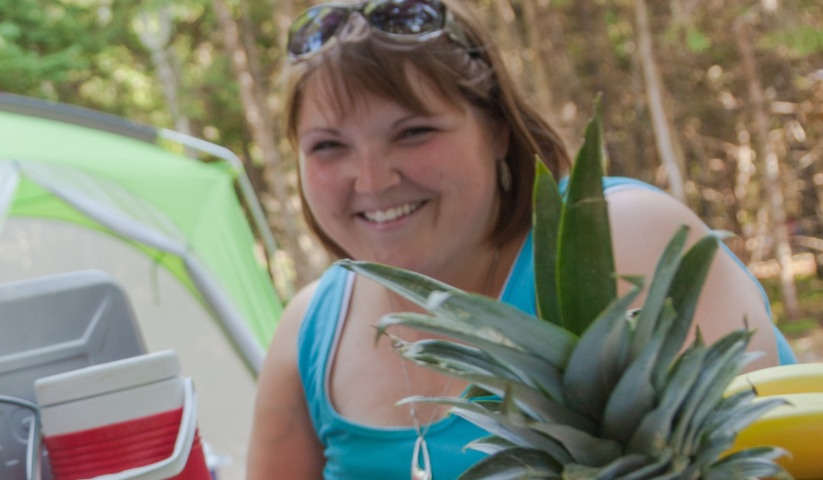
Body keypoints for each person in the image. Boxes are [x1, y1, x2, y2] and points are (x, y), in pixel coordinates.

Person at [246, 0, 800, 478]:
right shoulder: (307, 335)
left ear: (497, 128)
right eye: (328, 146)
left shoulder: (614, 241)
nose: (370, 180)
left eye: (414, 132)